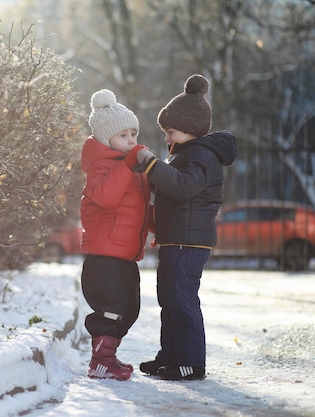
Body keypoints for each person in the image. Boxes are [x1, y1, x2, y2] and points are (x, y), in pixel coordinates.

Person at [127, 74, 237, 380]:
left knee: (183, 299)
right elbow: (171, 195)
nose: (166, 137)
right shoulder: (185, 155)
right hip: (176, 239)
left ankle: (191, 362)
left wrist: (152, 165)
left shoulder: (202, 157)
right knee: (169, 299)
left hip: (190, 243)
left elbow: (183, 188)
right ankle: (171, 356)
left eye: (170, 131)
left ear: (188, 129)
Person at [80, 88, 153, 381]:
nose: (132, 140)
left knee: (130, 308)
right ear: (105, 138)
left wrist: (155, 230)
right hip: (104, 256)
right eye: (124, 135)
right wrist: (128, 164)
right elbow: (106, 197)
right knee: (111, 308)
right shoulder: (101, 167)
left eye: (134, 134)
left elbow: (141, 208)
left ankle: (107, 355)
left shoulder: (131, 168)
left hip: (125, 255)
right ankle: (100, 362)